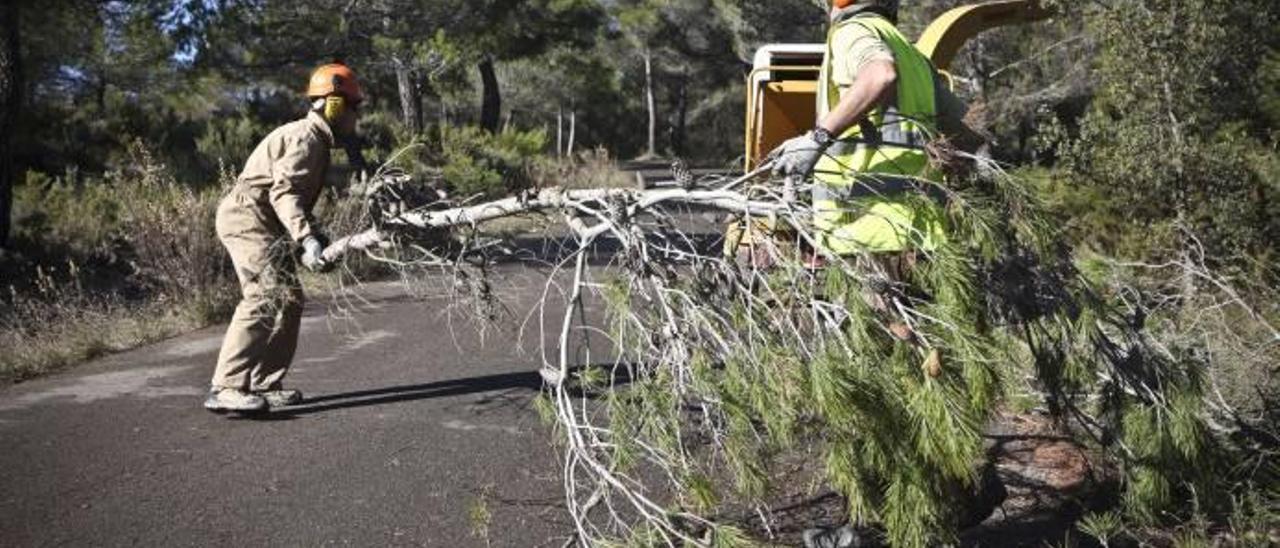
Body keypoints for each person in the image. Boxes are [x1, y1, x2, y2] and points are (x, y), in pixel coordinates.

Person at [204, 62, 364, 413]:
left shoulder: (316, 140)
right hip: (247, 218)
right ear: (336, 105)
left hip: (265, 221)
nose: (357, 117)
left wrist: (315, 238)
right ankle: (227, 386)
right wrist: (306, 239)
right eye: (354, 107)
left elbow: (291, 201)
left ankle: (264, 383)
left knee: (290, 299)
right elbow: (285, 195)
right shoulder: (307, 139)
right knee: (264, 293)